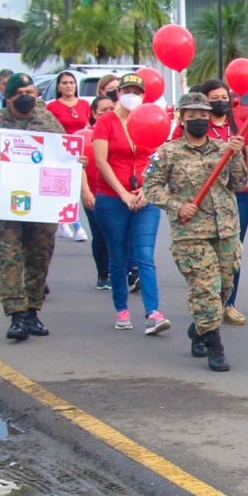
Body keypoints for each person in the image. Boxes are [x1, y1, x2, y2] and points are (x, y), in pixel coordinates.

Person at [143, 92, 248, 369]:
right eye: (192, 116)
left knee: (223, 287)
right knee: (205, 288)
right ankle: (215, 346)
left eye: (203, 115)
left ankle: (199, 328)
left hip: (226, 229)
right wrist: (177, 206)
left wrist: (237, 155)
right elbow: (150, 187)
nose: (199, 120)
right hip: (191, 233)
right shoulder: (168, 152)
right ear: (182, 119)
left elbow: (238, 184)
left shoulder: (223, 148)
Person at [189, 78, 248, 325]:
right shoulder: (197, 129)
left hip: (239, 197)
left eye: (224, 98)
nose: (220, 102)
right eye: (214, 98)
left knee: (232, 252)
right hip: (208, 199)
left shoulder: (239, 129)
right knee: (208, 253)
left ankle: (229, 304)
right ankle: (208, 302)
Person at [0, 73, 65, 341]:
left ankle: (32, 311)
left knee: (39, 258)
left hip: (40, 206)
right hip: (3, 206)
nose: (27, 97)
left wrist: (75, 159)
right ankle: (17, 316)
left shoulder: (48, 121)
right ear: (9, 98)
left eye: (31, 92)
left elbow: (64, 154)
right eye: (21, 93)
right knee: (9, 259)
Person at [92, 73, 166, 329]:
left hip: (145, 199)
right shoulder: (106, 122)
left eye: (136, 91)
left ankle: (153, 312)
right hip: (112, 199)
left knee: (145, 255)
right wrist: (123, 193)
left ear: (144, 96)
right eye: (127, 91)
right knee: (119, 256)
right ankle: (122, 310)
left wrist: (148, 188)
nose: (131, 96)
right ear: (119, 94)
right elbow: (101, 160)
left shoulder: (151, 119)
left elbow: (159, 158)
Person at [80, 93, 116, 289]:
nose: (108, 113)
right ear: (94, 114)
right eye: (103, 111)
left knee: (119, 235)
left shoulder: (124, 132)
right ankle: (103, 273)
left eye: (111, 109)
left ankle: (124, 271)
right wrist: (86, 192)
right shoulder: (83, 136)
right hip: (94, 193)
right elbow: (78, 167)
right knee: (100, 234)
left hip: (118, 193)